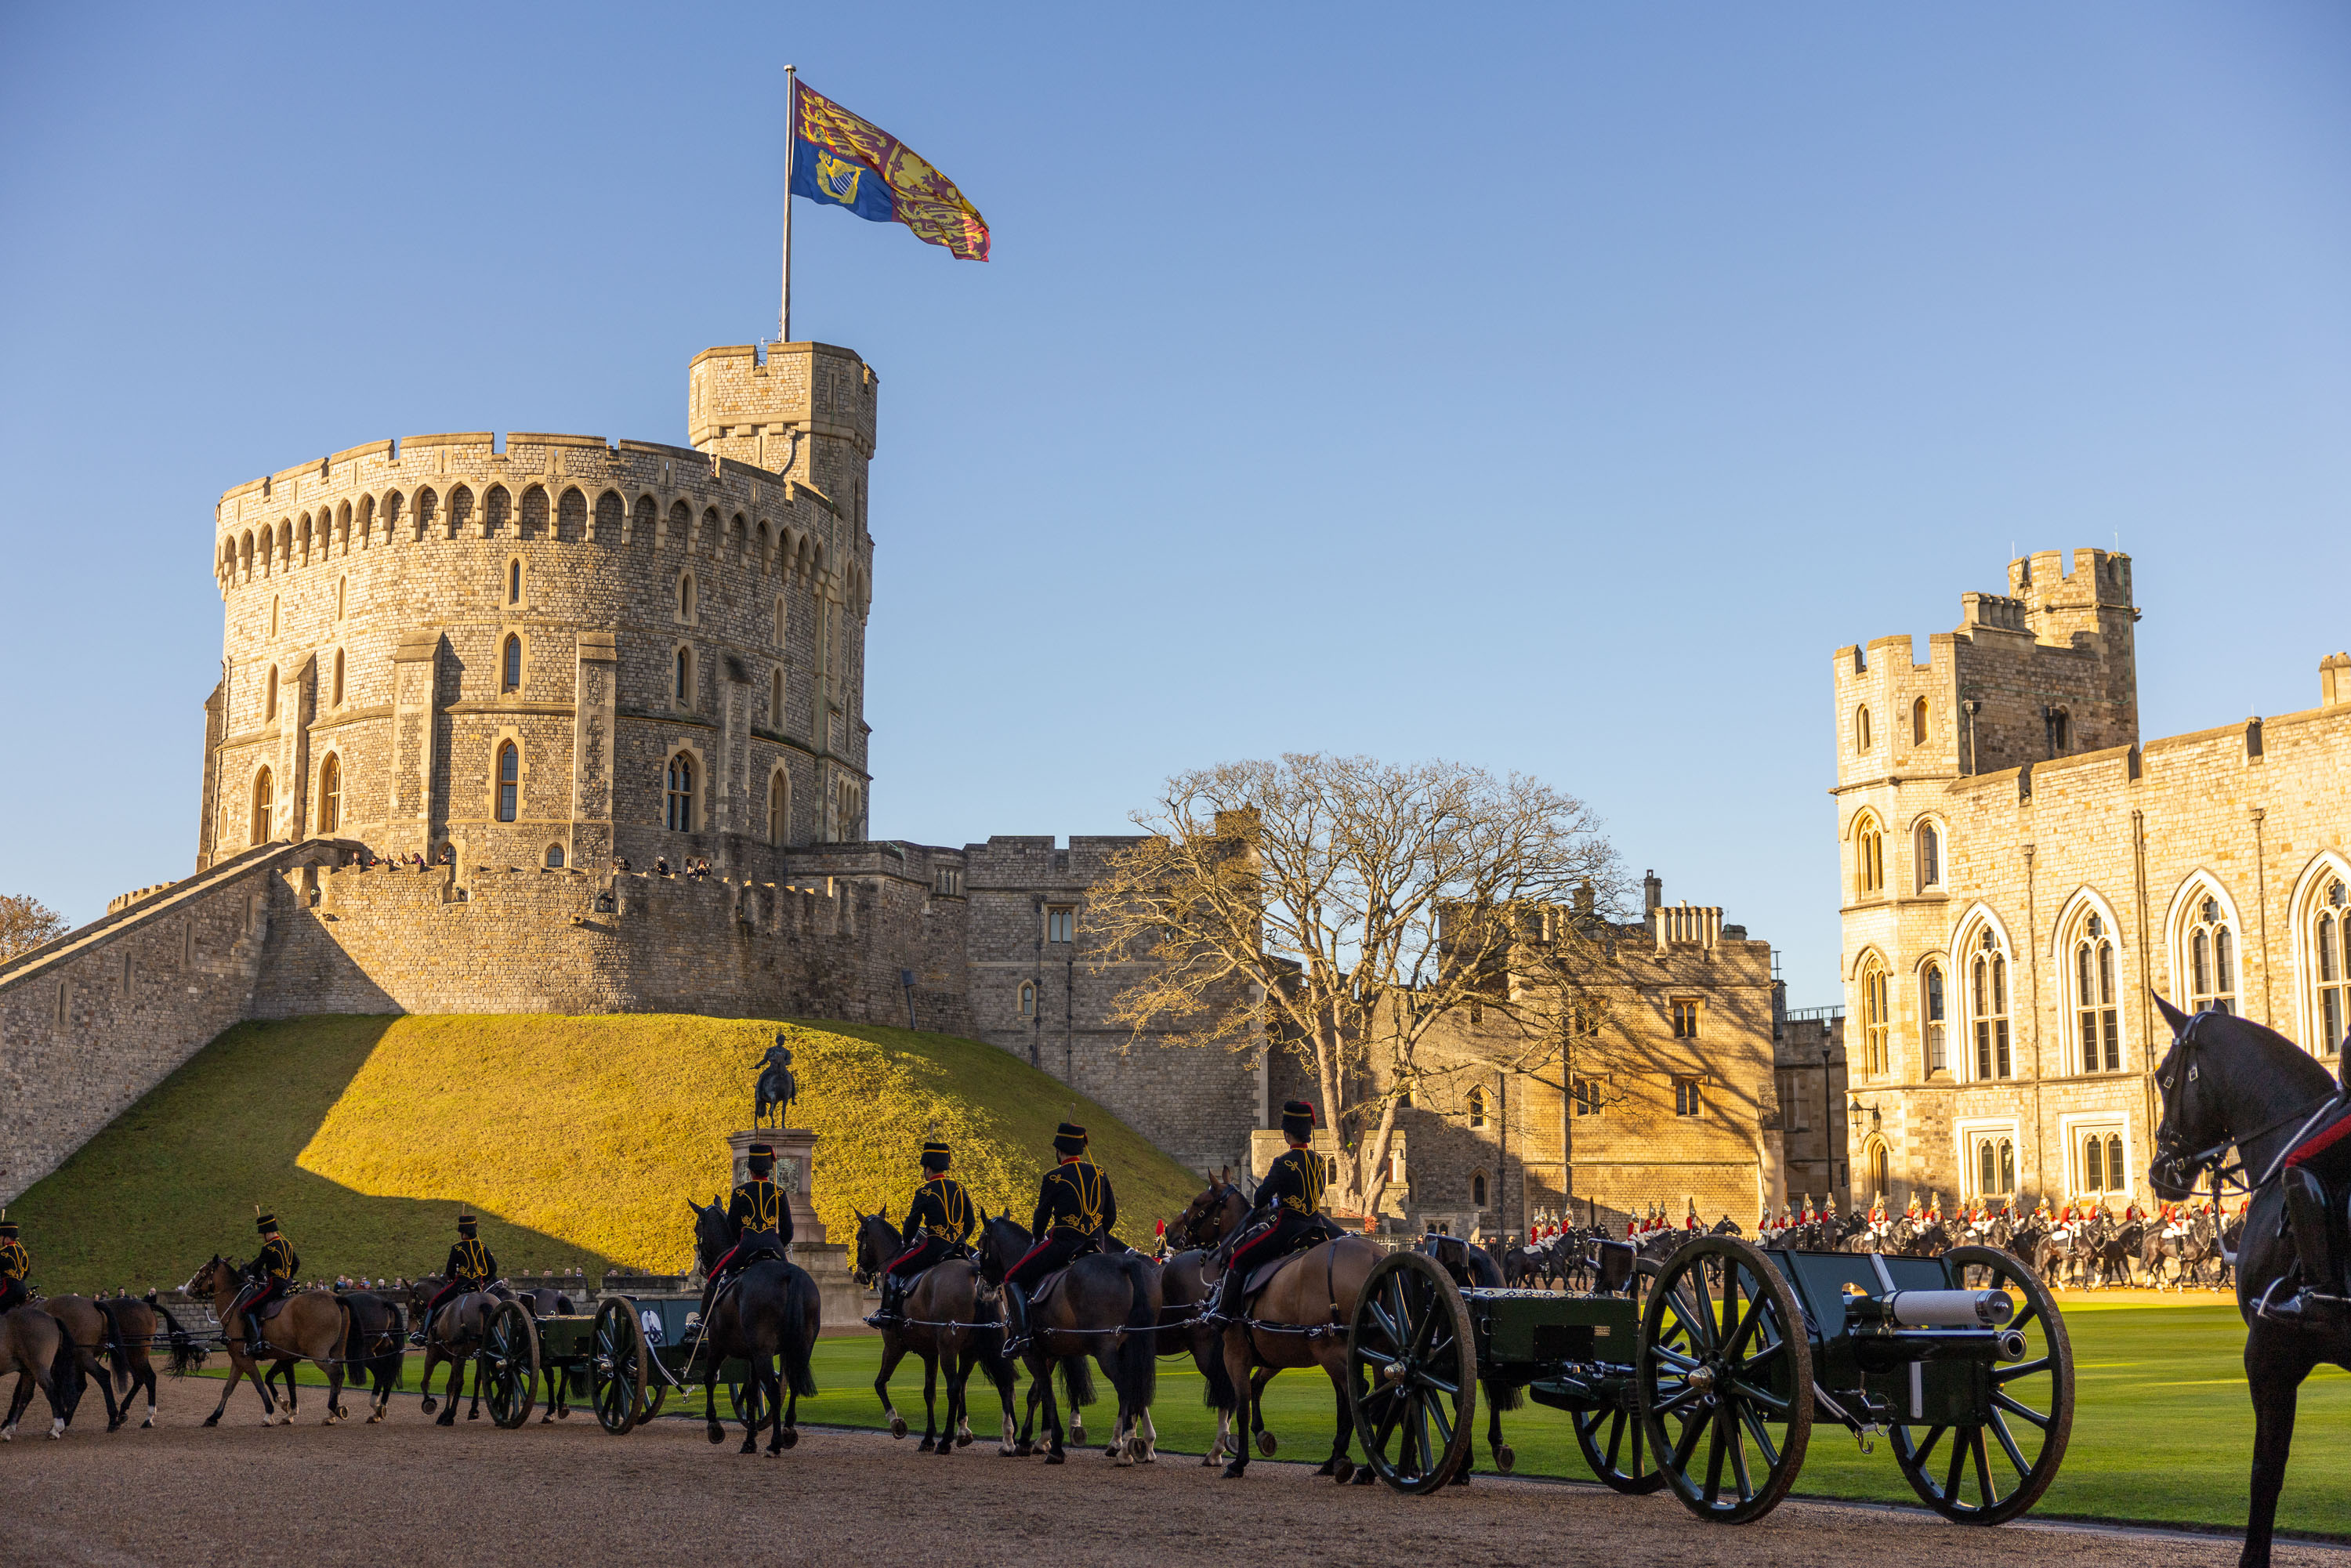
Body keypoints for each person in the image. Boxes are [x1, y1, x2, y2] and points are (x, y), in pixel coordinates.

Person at [1207, 1102, 1331, 1327]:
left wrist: (1276, 1200)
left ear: (1287, 1134)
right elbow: (1318, 1191)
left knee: (1238, 1257)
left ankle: (1222, 1314)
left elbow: (1260, 1199)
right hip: (1316, 1227)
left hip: (1288, 1228)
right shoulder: (1320, 1161)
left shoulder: (1283, 1162)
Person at [1002, 1122, 1117, 1353]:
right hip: (1097, 1245)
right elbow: (1111, 1215)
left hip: (1064, 1244)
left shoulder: (1054, 1177)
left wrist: (1036, 1237)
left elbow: (1042, 1214)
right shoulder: (1100, 1172)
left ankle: (1023, 1336)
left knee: (1012, 1277)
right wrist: (1097, 1235)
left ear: (1060, 1149)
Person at [868, 1139, 973, 1329]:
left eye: (924, 1167)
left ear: (929, 1168)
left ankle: (886, 1314)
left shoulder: (925, 1191)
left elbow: (912, 1222)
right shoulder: (960, 1188)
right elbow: (971, 1222)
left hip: (935, 1247)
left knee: (893, 1270)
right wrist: (959, 1237)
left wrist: (907, 1240)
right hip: (961, 1248)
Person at [695, 1143, 792, 1328]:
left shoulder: (740, 1192)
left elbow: (732, 1225)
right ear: (769, 1169)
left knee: (714, 1277)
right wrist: (778, 1243)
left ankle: (703, 1323)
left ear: (749, 1170)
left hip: (747, 1246)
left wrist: (743, 1241)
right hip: (775, 1247)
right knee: (792, 1281)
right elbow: (788, 1230)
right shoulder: (780, 1192)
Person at [414, 1213, 499, 1345]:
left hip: (460, 1285)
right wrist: (482, 1279)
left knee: (434, 1303)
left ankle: (423, 1334)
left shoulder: (457, 1248)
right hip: (478, 1286)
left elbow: (450, 1271)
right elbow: (493, 1268)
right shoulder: (482, 1246)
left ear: (462, 1232)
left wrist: (454, 1279)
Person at [229, 1212, 299, 1352]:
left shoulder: (268, 1247)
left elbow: (256, 1268)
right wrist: (288, 1276)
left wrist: (255, 1276)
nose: (262, 1238)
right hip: (289, 1284)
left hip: (275, 1286)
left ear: (267, 1232)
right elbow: (296, 1263)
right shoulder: (288, 1244)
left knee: (246, 1307)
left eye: (262, 1235)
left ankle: (255, 1343)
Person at [0, 1213, 27, 1315]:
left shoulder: (3, 1253)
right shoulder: (22, 1252)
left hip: (9, 1290)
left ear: (7, 1239)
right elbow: (27, 1270)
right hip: (23, 1288)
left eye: (0, 1237)